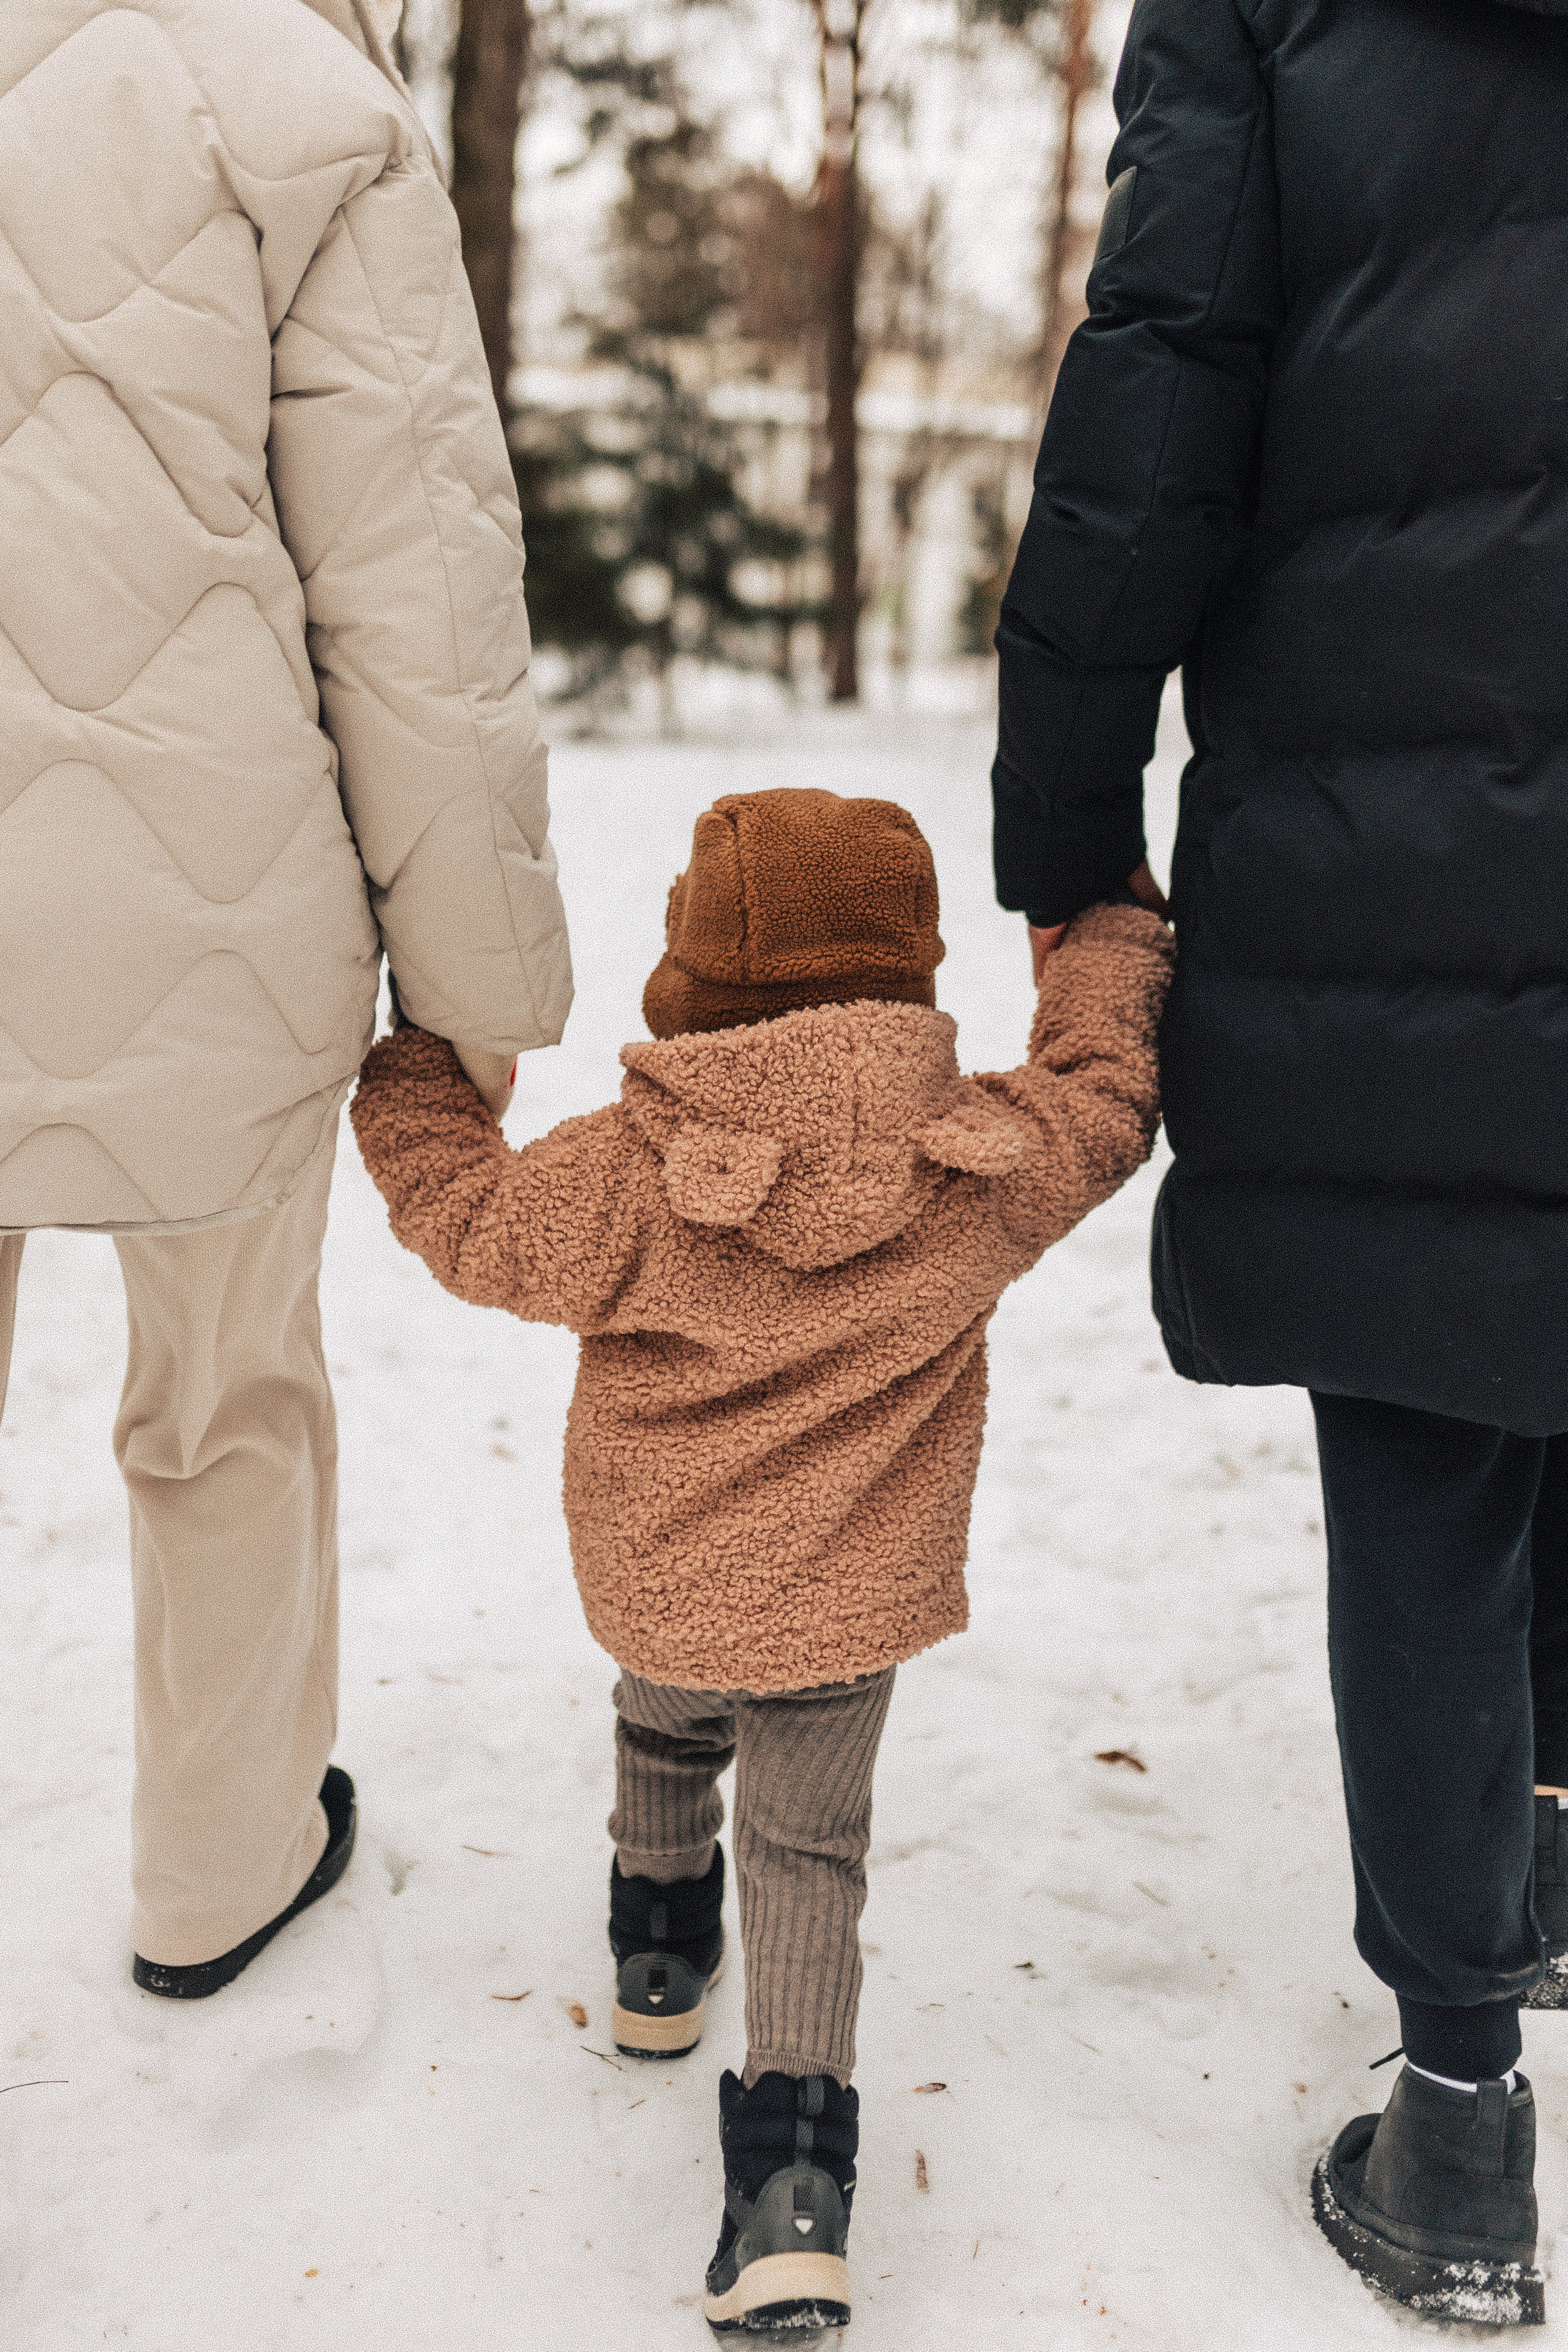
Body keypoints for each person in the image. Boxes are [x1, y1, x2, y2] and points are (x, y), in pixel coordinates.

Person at [991, 0, 1568, 2324]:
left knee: (1433, 1429)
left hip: (1379, 844)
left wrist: (1063, 823)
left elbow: (1160, 397)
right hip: (1395, 830)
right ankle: (1535, 1849)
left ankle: (1455, 2133)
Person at [351, 785, 1172, 2329]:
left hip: (657, 1576)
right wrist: (1109, 934)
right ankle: (791, 2188)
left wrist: (411, 1065)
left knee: (661, 1715)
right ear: (915, 967)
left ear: (686, 967)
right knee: (809, 1853)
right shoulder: (980, 1166)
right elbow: (1109, 1094)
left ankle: (657, 1961)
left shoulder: (614, 1175)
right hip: (852, 1602)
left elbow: (460, 1215)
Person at [0, 0, 570, 2000]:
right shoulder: (289, 85)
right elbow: (412, 570)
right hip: (208, 896)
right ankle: (223, 1870)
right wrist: (475, 975)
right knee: (225, 1394)